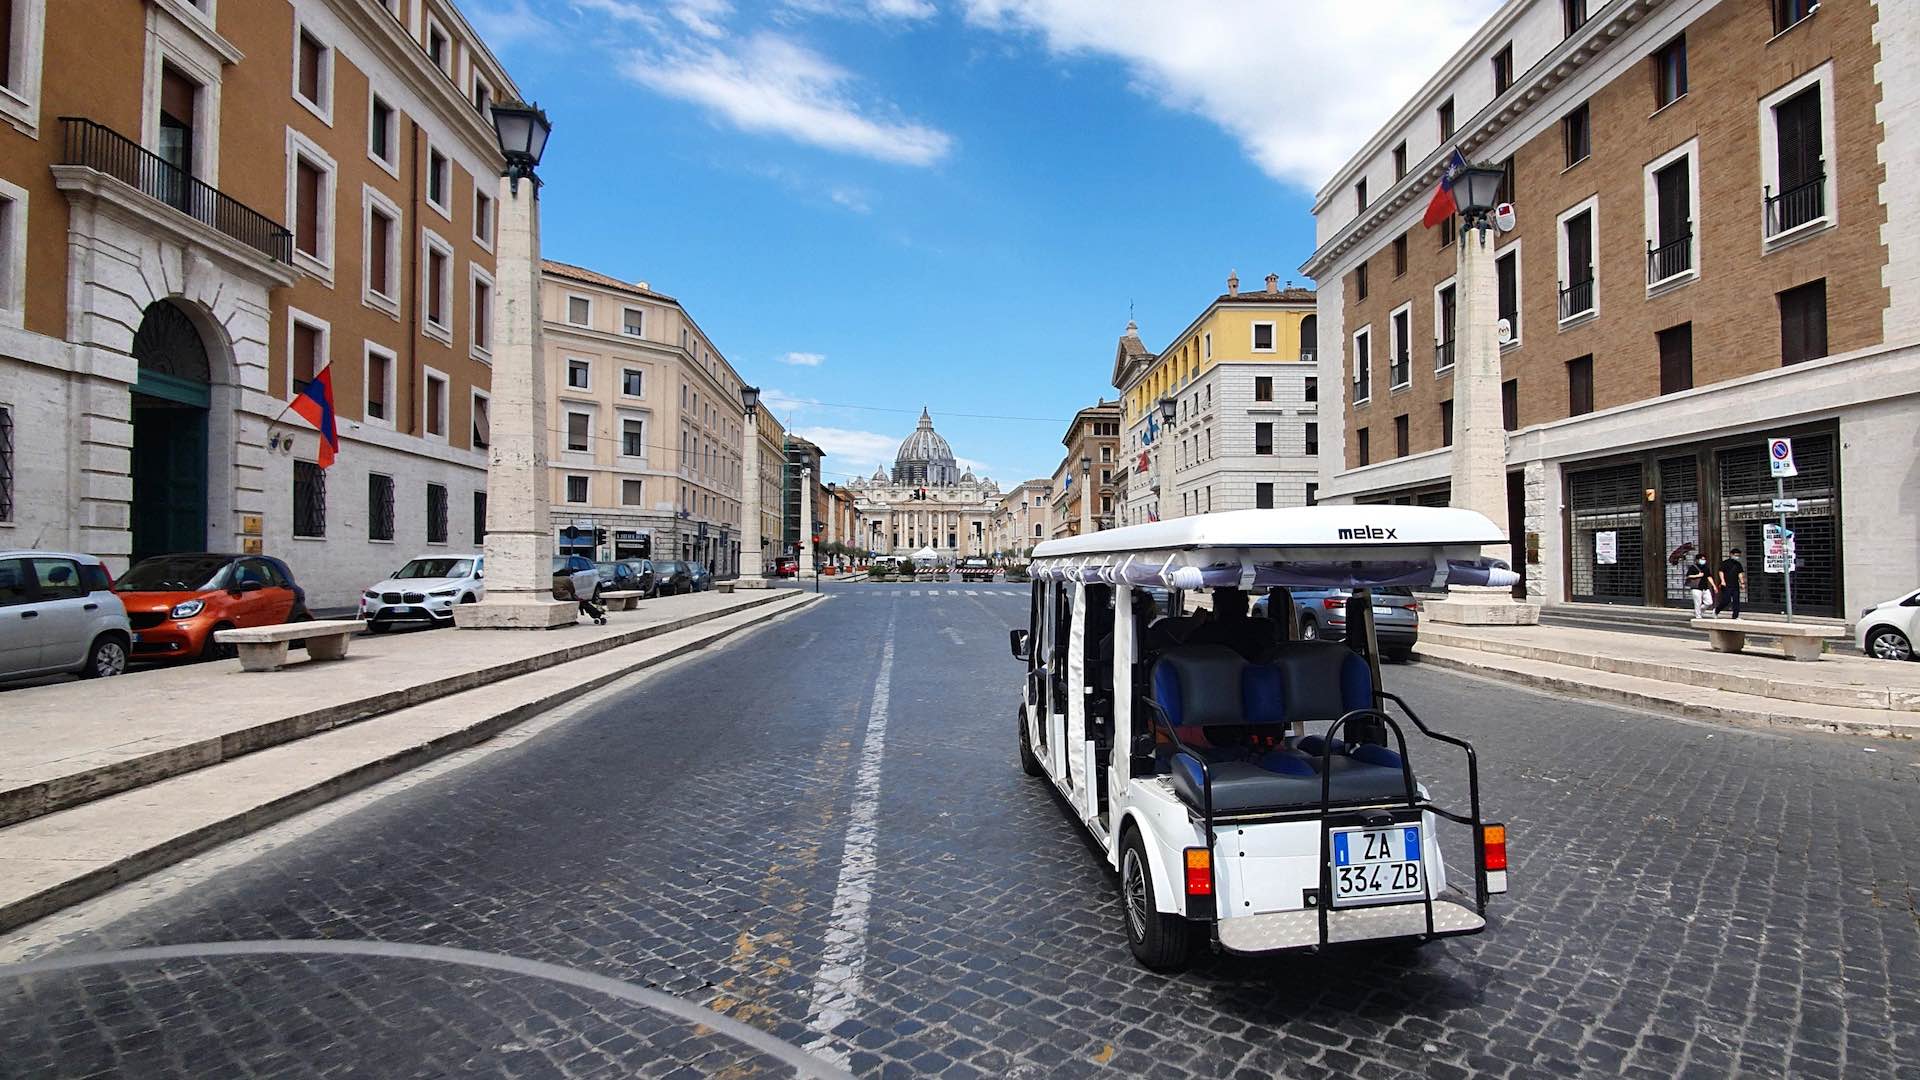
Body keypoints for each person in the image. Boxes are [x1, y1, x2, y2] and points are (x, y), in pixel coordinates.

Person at [1714, 547, 1745, 619]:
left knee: (1736, 601)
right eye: (1736, 555)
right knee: (1726, 600)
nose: (1737, 557)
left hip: (1735, 585)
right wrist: (1722, 581)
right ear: (1731, 554)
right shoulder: (1725, 563)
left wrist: (1742, 583)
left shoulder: (1738, 564)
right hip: (1726, 585)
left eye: (1738, 555)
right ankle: (1716, 610)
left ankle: (1735, 616)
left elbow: (1740, 574)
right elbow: (1721, 571)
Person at [1685, 553, 1717, 618]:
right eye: (1701, 559)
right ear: (1697, 560)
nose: (1703, 560)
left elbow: (1709, 577)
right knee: (1697, 603)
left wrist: (1714, 586)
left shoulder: (1706, 567)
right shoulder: (1693, 567)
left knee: (1709, 602)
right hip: (1696, 587)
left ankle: (1699, 610)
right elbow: (1688, 576)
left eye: (1704, 559)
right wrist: (1698, 575)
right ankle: (1698, 616)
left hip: (1705, 587)